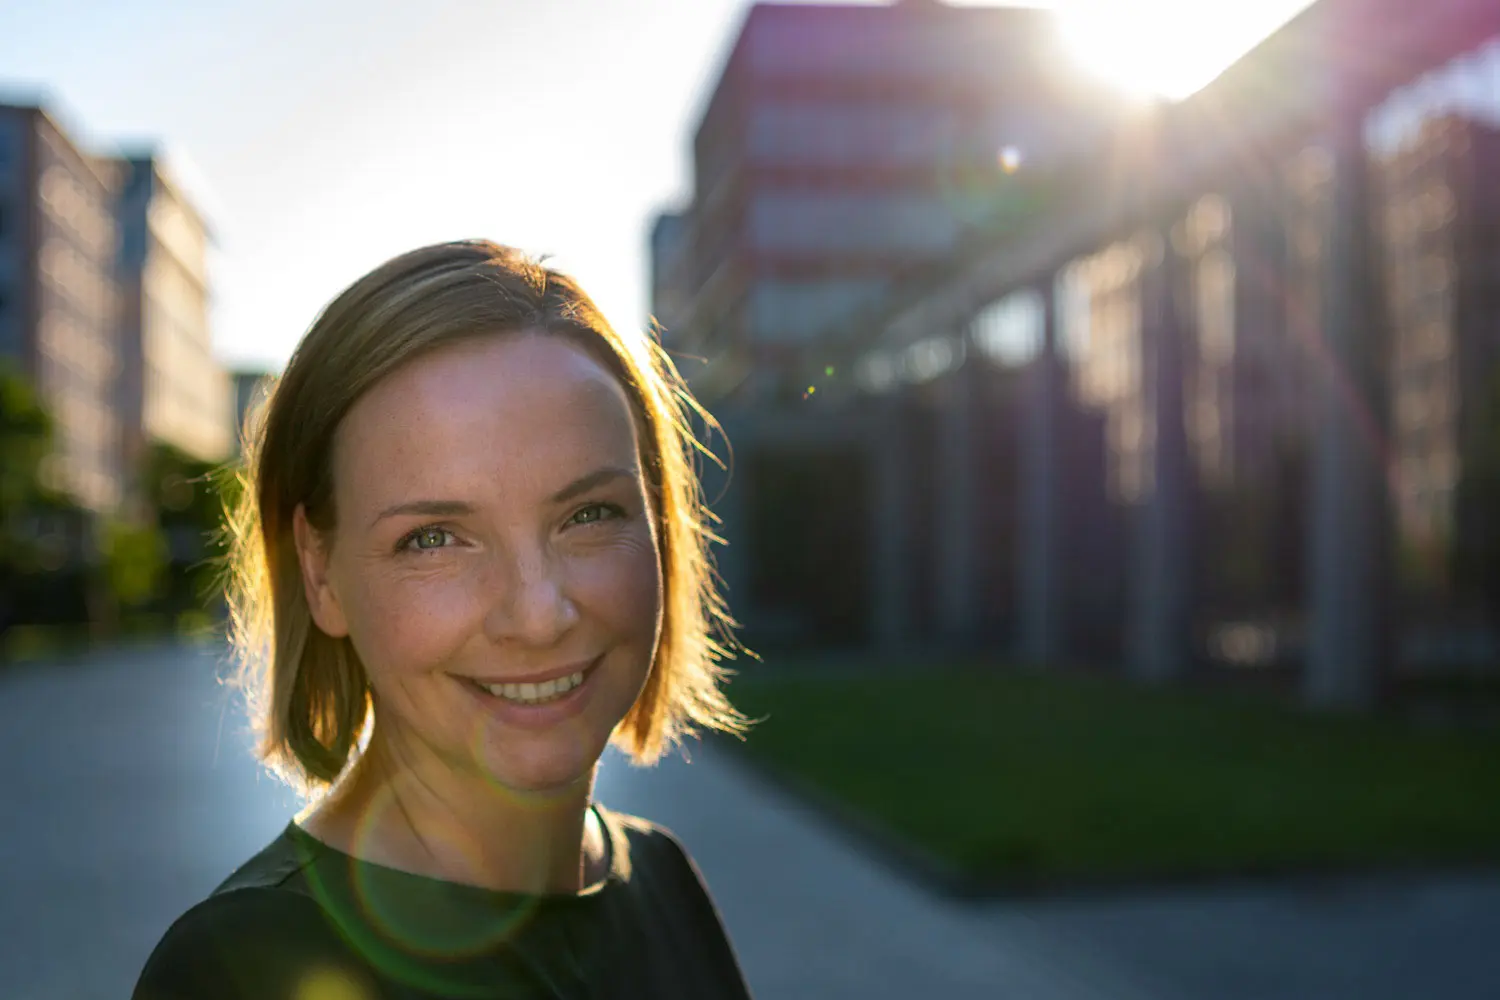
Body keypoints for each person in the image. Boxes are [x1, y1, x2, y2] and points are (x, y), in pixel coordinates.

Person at [132, 241, 754, 999]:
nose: (538, 614)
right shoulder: (241, 968)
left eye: (589, 514)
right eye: (433, 538)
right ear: (320, 572)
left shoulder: (662, 882)